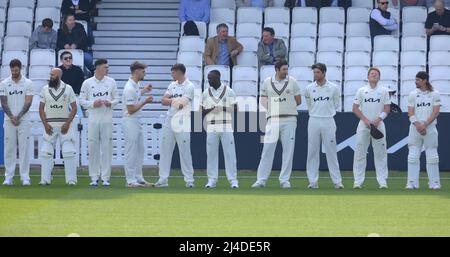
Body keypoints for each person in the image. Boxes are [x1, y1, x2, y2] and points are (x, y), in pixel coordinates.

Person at [252, 60, 301, 189]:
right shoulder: (267, 82)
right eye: (284, 69)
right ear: (277, 69)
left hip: (289, 120)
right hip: (272, 120)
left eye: (287, 69)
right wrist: (273, 109)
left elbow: (298, 100)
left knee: (288, 151)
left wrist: (285, 108)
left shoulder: (293, 81)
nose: (286, 72)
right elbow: (263, 99)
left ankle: (284, 180)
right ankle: (261, 180)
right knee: (267, 150)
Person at [154, 64, 196, 188]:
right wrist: (173, 101)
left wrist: (171, 101)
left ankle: (189, 180)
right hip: (170, 119)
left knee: (184, 150)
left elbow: (181, 105)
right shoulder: (172, 85)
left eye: (173, 73)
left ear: (179, 72)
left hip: (182, 120)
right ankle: (163, 179)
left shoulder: (190, 86)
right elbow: (163, 101)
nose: (172, 75)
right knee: (165, 149)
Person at [79, 59, 119, 187]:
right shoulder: (87, 83)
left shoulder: (111, 82)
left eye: (107, 67)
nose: (107, 69)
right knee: (93, 148)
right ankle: (94, 177)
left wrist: (110, 103)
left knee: (107, 148)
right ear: (97, 68)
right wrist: (92, 104)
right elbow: (81, 100)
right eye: (104, 67)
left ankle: (106, 177)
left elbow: (117, 98)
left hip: (107, 119)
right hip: (93, 119)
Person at [304, 63, 343, 189]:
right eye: (314, 72)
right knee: (312, 152)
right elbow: (309, 104)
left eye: (318, 72)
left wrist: (326, 112)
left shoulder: (333, 88)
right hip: (314, 120)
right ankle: (313, 182)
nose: (315, 75)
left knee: (331, 152)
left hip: (328, 121)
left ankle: (337, 182)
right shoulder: (309, 88)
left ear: (324, 73)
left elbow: (336, 104)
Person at [352, 67, 391, 189]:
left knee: (380, 153)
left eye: (376, 74)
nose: (374, 75)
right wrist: (366, 121)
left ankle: (382, 181)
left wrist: (378, 120)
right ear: (368, 77)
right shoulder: (361, 90)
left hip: (379, 125)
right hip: (364, 125)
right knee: (360, 153)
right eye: (372, 74)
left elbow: (387, 109)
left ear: (379, 77)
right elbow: (355, 108)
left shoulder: (384, 91)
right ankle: (358, 182)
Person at [39, 68, 78, 186]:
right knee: (46, 152)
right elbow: (41, 108)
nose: (50, 76)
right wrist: (45, 124)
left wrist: (67, 123)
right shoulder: (45, 89)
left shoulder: (68, 88)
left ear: (59, 76)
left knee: (69, 152)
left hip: (65, 125)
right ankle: (45, 179)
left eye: (53, 75)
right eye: (50, 74)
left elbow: (74, 108)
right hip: (49, 125)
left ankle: (71, 180)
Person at [201, 70, 239, 189]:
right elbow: (201, 111)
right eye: (208, 78)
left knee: (230, 154)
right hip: (211, 126)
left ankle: (233, 180)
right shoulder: (206, 92)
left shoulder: (229, 91)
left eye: (211, 78)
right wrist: (212, 109)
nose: (209, 81)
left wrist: (222, 108)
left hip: (226, 125)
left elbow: (235, 109)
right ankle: (212, 180)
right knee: (211, 154)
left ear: (218, 78)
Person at [0, 59, 33, 186]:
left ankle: (25, 177)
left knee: (24, 148)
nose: (14, 72)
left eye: (16, 70)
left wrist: (18, 116)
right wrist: (11, 117)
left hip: (23, 120)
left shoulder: (28, 83)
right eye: (12, 70)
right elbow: (3, 102)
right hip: (9, 121)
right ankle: (9, 177)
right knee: (9, 148)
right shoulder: (4, 83)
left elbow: (28, 102)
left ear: (20, 69)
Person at [406, 71, 441, 190]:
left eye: (418, 80)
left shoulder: (435, 94)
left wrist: (425, 124)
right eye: (415, 80)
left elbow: (436, 112)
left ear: (424, 80)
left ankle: (434, 183)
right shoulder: (412, 94)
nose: (416, 82)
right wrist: (417, 124)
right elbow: (410, 111)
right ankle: (412, 183)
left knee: (432, 156)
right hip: (415, 128)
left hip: (430, 128)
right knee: (413, 156)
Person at [122, 61, 154, 188]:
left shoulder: (135, 85)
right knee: (131, 151)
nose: (144, 73)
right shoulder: (129, 88)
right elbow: (131, 110)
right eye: (143, 71)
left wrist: (144, 91)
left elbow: (135, 95)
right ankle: (130, 180)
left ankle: (138, 177)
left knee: (140, 150)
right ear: (136, 72)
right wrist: (145, 102)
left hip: (136, 120)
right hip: (130, 120)